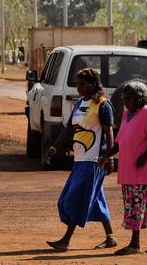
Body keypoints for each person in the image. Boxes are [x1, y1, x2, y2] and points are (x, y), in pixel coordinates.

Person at [45, 68, 118, 252]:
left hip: (95, 160)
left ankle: (66, 240)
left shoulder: (102, 105)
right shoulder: (79, 104)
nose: (78, 87)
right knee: (95, 198)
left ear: (93, 85)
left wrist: (109, 158)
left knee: (76, 197)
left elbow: (109, 131)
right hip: (80, 159)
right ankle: (110, 237)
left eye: (82, 84)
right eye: (77, 83)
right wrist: (55, 146)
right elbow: (69, 129)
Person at [98, 80, 147, 256]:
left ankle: (135, 244)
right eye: (124, 98)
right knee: (139, 208)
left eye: (129, 98)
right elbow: (119, 142)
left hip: (144, 172)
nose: (126, 102)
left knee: (137, 207)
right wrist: (106, 156)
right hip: (128, 170)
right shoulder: (126, 114)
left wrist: (144, 157)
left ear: (139, 98)